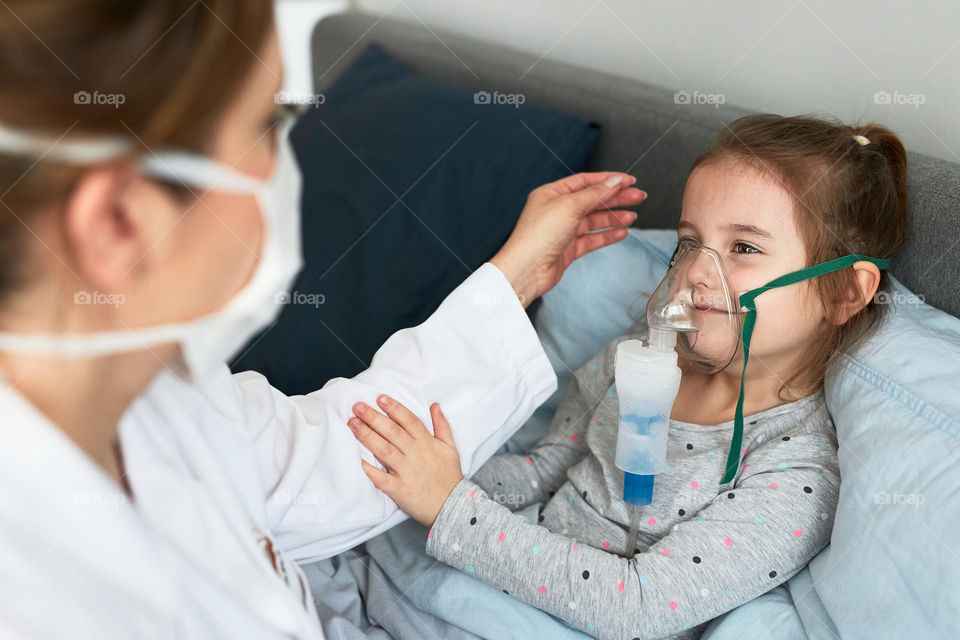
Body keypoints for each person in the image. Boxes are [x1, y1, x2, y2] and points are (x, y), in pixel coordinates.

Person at [0, 2, 646, 638]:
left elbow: (328, 459)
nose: (291, 162)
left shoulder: (154, 391)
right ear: (119, 221)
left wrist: (518, 276)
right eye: (265, 125)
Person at [348, 114, 908, 639]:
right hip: (465, 590)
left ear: (844, 292)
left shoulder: (796, 471)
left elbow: (636, 606)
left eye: (743, 247)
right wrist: (428, 474)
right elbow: (548, 471)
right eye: (691, 242)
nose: (694, 273)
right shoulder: (636, 361)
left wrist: (451, 509)